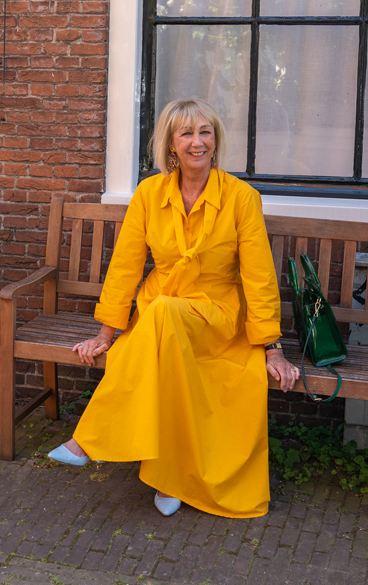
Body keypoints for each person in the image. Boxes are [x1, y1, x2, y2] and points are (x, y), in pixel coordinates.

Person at [48, 98, 300, 518]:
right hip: (160, 310)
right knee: (163, 329)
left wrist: (271, 347)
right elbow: (126, 264)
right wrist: (105, 333)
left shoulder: (242, 198)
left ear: (216, 141)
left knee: (163, 313)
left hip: (214, 314)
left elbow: (259, 277)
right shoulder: (149, 193)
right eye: (186, 133)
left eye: (205, 132)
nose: (197, 142)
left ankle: (88, 440)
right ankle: (168, 478)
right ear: (170, 144)